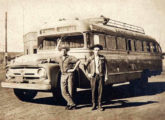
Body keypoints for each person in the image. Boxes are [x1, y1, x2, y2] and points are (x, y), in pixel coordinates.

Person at [84, 44, 108, 111]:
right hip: (93, 76)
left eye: (98, 50)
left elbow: (106, 68)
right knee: (93, 90)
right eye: (95, 50)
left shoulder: (102, 58)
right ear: (93, 51)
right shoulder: (90, 58)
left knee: (101, 91)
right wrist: (88, 74)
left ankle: (100, 105)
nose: (97, 51)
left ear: (99, 51)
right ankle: (94, 104)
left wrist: (106, 76)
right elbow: (84, 66)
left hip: (101, 76)